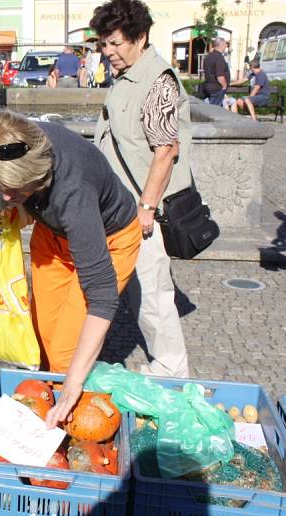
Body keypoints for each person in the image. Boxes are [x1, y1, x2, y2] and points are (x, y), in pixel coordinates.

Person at [0, 109, 141, 428]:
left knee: (66, 351)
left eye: (15, 191)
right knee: (44, 334)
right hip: (52, 236)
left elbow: (102, 298)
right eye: (0, 187)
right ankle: (49, 400)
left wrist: (74, 382)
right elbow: (13, 197)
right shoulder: (17, 138)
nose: (6, 197)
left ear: (38, 173)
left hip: (110, 238)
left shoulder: (73, 190)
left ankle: (72, 421)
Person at [92, 0, 192, 378]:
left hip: (142, 206)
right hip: (121, 205)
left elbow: (165, 150)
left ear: (141, 37)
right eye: (104, 44)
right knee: (133, 288)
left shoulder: (157, 79)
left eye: (115, 43)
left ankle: (171, 372)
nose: (108, 52)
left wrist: (147, 206)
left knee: (152, 292)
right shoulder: (128, 75)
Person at [203, 37, 230, 106]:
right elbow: (220, 76)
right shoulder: (219, 57)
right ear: (221, 45)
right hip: (217, 88)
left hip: (209, 86)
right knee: (215, 111)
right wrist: (224, 86)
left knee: (211, 109)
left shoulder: (208, 56)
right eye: (225, 45)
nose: (225, 47)